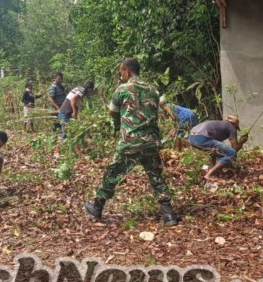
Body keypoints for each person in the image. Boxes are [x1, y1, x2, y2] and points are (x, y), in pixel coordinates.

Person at [85, 58, 179, 226]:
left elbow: (112, 112)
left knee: (112, 173)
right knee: (156, 176)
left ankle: (97, 208)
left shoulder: (122, 89)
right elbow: (156, 112)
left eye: (121, 71)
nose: (121, 75)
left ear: (127, 71)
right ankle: (169, 215)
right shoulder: (153, 89)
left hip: (130, 141)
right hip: (151, 141)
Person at [189, 116, 248, 180]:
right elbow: (234, 150)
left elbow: (216, 151)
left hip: (191, 138)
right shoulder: (232, 127)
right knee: (231, 153)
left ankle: (211, 170)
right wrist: (242, 142)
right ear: (236, 125)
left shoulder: (218, 125)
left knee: (214, 151)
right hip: (201, 138)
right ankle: (209, 175)